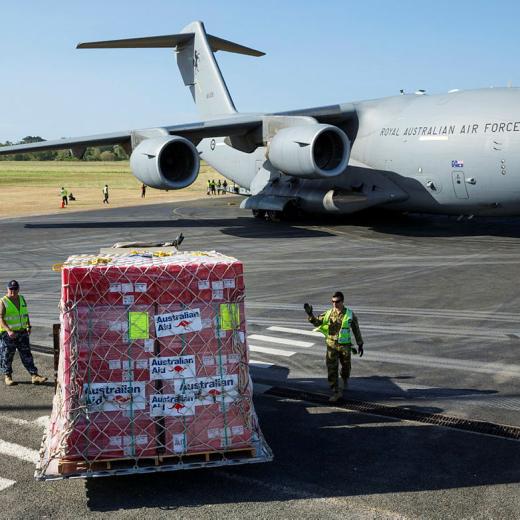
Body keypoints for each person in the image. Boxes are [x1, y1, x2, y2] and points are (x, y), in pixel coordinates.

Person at [304, 291, 364, 402]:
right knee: (332, 369)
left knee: (346, 368)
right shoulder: (328, 313)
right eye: (333, 301)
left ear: (342, 301)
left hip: (345, 346)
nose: (334, 304)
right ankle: (336, 391)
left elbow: (356, 329)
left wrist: (360, 343)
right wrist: (310, 315)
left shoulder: (350, 314)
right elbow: (317, 323)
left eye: (337, 301)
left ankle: (344, 380)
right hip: (331, 345)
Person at [0, 280, 47, 386]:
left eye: (15, 289)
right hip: (9, 334)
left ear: (18, 289)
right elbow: (0, 318)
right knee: (7, 355)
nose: (13, 291)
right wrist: (8, 331)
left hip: (22, 332)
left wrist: (28, 325)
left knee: (27, 354)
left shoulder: (21, 299)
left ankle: (34, 375)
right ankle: (8, 376)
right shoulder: (3, 301)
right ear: (7, 289)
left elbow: (25, 313)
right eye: (11, 289)